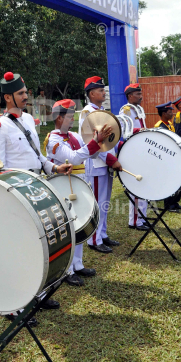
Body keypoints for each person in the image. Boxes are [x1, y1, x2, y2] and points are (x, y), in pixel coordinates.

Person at [0, 71, 72, 324]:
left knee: (37, 246)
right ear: (8, 96)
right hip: (15, 193)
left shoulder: (30, 121)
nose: (26, 96)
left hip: (36, 188)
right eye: (21, 93)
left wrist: (54, 168)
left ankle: (38, 295)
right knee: (15, 249)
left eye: (25, 92)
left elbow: (38, 156)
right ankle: (14, 307)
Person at [46, 99, 112, 286]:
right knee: (68, 227)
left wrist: (97, 142)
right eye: (69, 116)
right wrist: (94, 143)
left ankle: (77, 264)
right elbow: (74, 158)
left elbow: (89, 153)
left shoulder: (73, 135)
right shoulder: (54, 140)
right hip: (64, 186)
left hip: (79, 182)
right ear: (59, 118)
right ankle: (66, 270)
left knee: (79, 222)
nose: (72, 119)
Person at [79, 76, 122, 254]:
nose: (104, 92)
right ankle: (94, 240)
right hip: (97, 163)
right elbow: (90, 141)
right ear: (91, 93)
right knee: (97, 203)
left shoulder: (101, 110)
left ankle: (102, 234)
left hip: (105, 163)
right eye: (101, 90)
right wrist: (109, 158)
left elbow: (110, 138)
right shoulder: (87, 113)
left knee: (104, 202)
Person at [119, 83, 149, 231]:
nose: (140, 96)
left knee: (144, 182)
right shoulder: (126, 110)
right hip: (133, 149)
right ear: (130, 96)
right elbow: (124, 128)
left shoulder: (139, 109)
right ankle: (135, 221)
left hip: (142, 148)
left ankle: (142, 217)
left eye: (140, 93)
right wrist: (139, 130)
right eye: (137, 93)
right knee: (137, 186)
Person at [154, 101, 181, 212]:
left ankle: (175, 202)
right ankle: (169, 205)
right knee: (169, 182)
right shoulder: (159, 126)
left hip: (174, 157)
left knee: (177, 181)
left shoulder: (169, 124)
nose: (172, 114)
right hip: (166, 159)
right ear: (163, 113)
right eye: (169, 112)